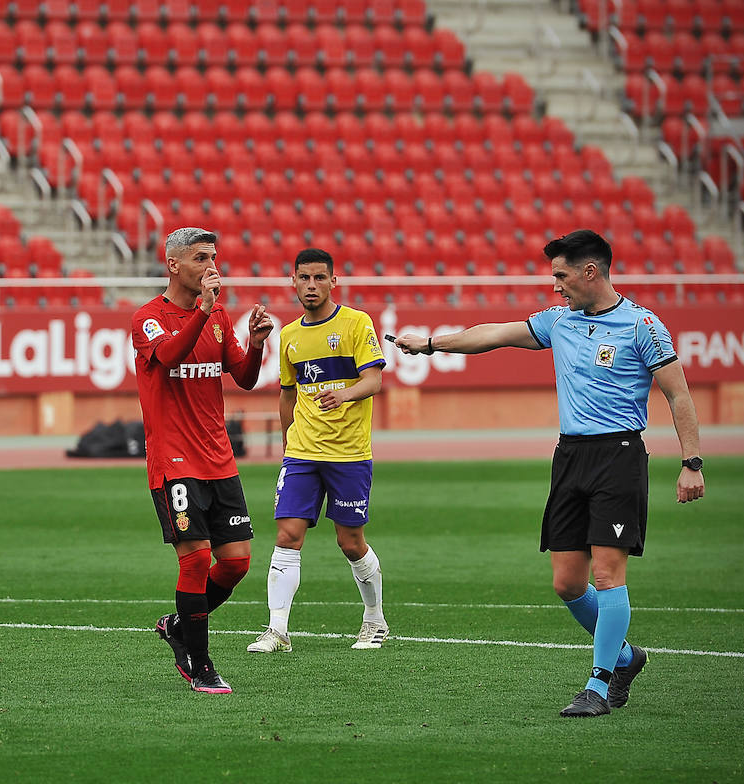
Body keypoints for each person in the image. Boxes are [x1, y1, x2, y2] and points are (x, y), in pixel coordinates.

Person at [394, 229, 705, 717]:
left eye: (560, 275)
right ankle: (625, 658)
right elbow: (493, 333)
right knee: (566, 583)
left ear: (590, 271)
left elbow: (678, 394)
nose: (555, 285)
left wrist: (691, 462)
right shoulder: (558, 322)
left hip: (618, 457)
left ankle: (598, 687)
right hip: (570, 458)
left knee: (607, 573)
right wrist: (431, 344)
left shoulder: (643, 326)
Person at [132, 227, 274, 694]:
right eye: (200, 258)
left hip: (219, 459)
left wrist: (254, 344)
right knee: (194, 560)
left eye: (214, 256)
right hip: (174, 461)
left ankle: (178, 626)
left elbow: (246, 379)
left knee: (235, 563)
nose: (212, 265)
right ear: (173, 265)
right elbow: (170, 357)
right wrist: (203, 311)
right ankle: (200, 663)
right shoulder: (149, 319)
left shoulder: (217, 318)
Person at [247, 248, 388, 655]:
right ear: (293, 282)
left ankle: (374, 620)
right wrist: (287, 440)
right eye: (304, 278)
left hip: (348, 453)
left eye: (319, 278)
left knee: (350, 541)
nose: (311, 286)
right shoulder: (288, 336)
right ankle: (277, 632)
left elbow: (374, 381)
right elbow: (287, 394)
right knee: (287, 535)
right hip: (302, 455)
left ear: (333, 282)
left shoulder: (356, 323)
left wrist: (342, 394)